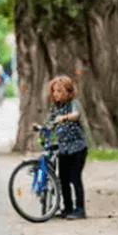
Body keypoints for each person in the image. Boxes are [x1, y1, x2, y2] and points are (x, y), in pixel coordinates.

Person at [46, 75, 88, 219]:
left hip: (77, 147)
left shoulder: (73, 104)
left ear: (68, 91)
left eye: (59, 91)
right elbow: (50, 123)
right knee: (62, 179)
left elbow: (76, 115)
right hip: (63, 149)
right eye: (54, 91)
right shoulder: (55, 108)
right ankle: (67, 207)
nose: (56, 94)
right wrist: (44, 129)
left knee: (74, 178)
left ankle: (80, 208)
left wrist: (64, 118)